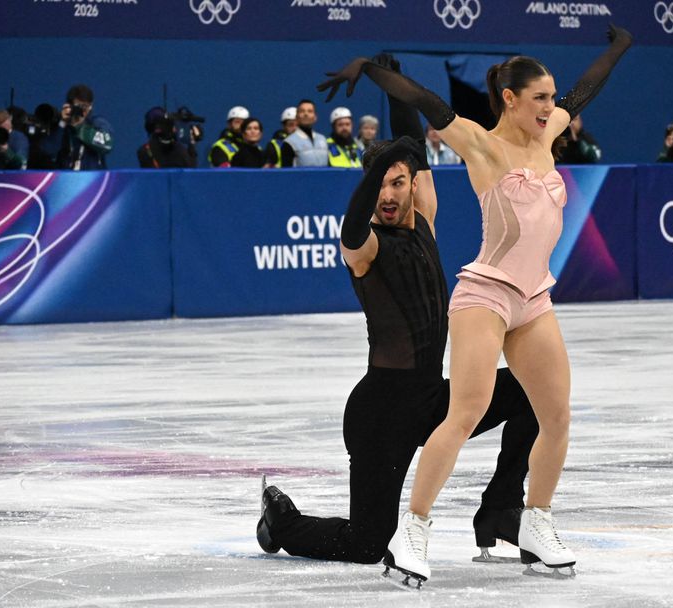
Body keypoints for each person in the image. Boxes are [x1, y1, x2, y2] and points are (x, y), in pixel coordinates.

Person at [319, 25, 633, 584]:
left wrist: (618, 48)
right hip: (485, 296)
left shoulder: (548, 134)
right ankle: (413, 530)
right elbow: (425, 102)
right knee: (465, 412)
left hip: (534, 298)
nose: (550, 107)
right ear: (510, 99)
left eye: (550, 97)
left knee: (556, 415)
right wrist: (369, 68)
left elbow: (585, 90)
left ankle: (536, 521)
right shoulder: (481, 145)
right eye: (539, 98)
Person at [257, 74, 539, 567]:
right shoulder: (365, 247)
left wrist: (394, 90)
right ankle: (282, 522)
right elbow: (352, 227)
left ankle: (499, 508)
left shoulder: (424, 217)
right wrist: (383, 164)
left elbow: (417, 154)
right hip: (380, 416)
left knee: (534, 390)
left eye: (397, 183)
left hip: (434, 401)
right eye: (379, 185)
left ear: (412, 184)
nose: (387, 195)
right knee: (367, 545)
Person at [44, 84, 113, 170]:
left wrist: (79, 126)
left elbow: (107, 145)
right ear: (69, 105)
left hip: (92, 176)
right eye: (78, 106)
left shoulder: (97, 123)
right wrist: (62, 123)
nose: (82, 111)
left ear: (91, 106)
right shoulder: (61, 125)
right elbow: (49, 151)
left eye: (85, 106)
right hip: (66, 176)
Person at [280, 99, 329, 167]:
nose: (306, 114)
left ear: (315, 117)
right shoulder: (289, 143)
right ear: (296, 117)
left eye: (310, 111)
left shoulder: (322, 139)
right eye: (302, 111)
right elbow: (286, 172)